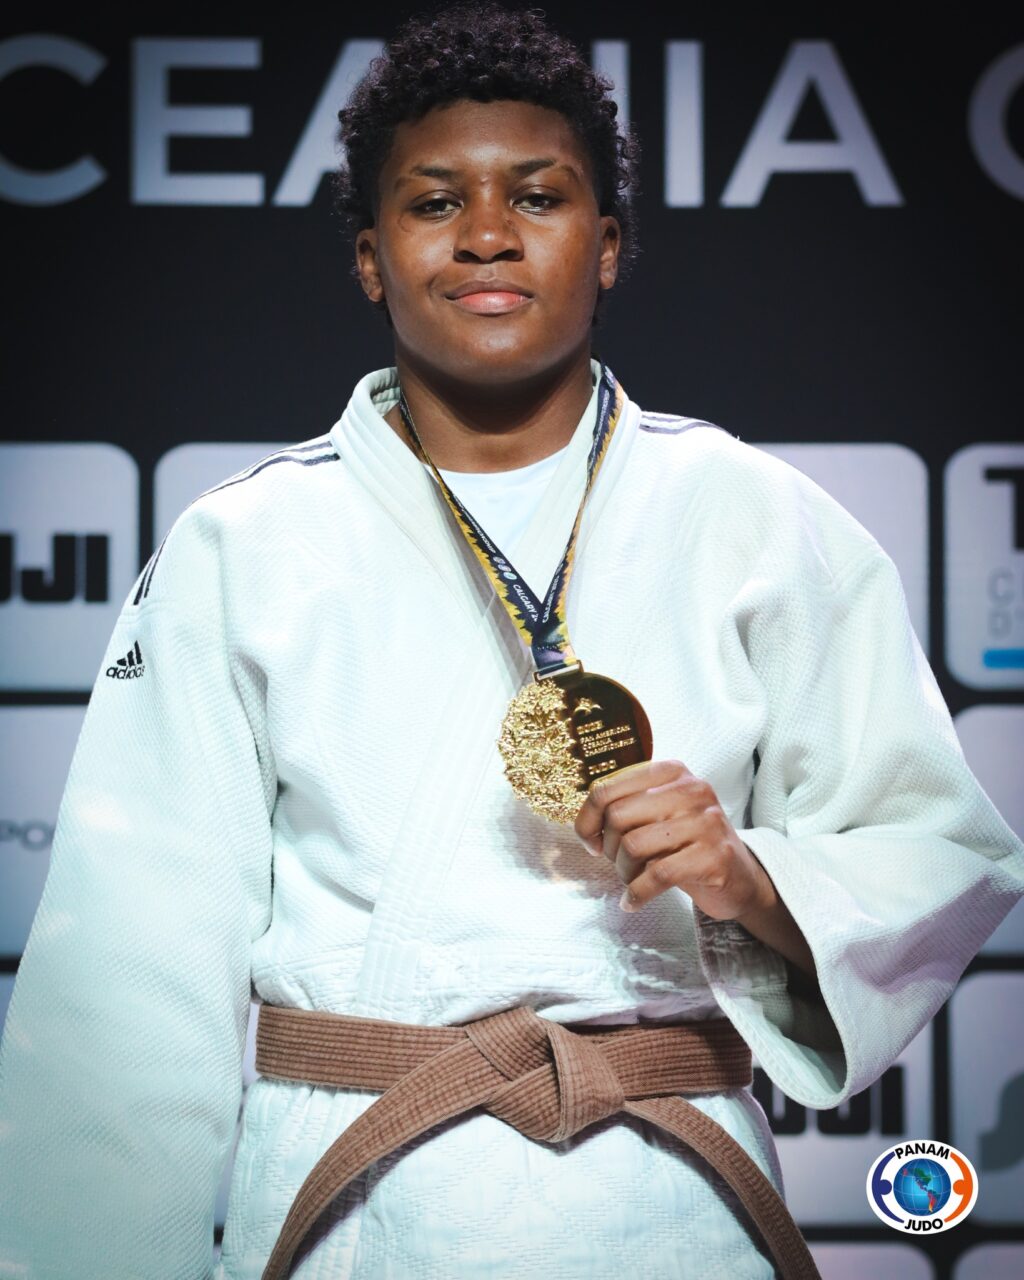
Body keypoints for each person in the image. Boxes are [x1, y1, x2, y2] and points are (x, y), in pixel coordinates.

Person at [1, 4, 1022, 1278]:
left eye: (536, 197)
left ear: (608, 245)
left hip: (673, 1204)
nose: (486, 233)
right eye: (434, 204)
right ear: (370, 256)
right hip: (367, 1195)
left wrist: (748, 876)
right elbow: (127, 988)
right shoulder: (242, 546)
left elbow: (939, 847)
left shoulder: (751, 514)